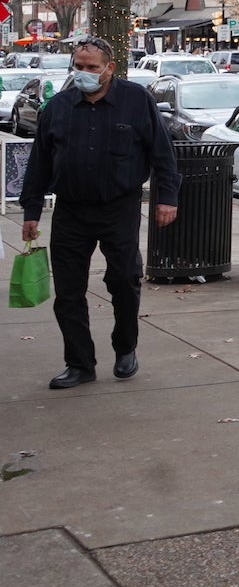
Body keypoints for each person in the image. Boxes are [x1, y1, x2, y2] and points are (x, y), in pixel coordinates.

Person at [18, 35, 179, 390]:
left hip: (118, 207)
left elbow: (163, 154)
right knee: (69, 291)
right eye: (78, 67)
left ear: (110, 68)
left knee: (123, 280)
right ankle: (79, 364)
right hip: (71, 211)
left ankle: (125, 348)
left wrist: (167, 197)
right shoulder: (58, 107)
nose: (84, 73)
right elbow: (40, 163)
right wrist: (31, 210)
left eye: (92, 68)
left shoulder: (137, 102)